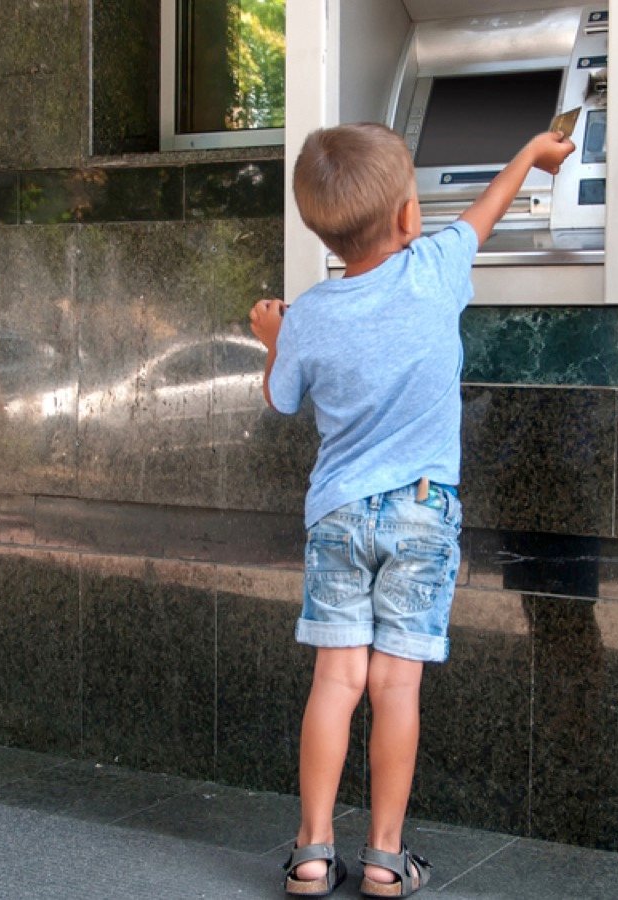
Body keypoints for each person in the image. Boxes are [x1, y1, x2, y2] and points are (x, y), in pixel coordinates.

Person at [249, 122, 575, 897]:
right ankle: (385, 860)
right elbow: (486, 212)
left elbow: (281, 399)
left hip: (338, 516)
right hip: (424, 516)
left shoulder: (311, 314)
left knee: (336, 681)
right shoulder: (435, 268)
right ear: (407, 216)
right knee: (396, 687)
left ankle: (311, 854)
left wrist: (273, 338)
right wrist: (532, 154)